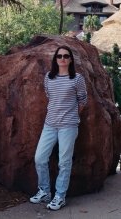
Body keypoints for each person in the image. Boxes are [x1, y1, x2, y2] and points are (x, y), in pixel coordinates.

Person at [29, 45, 87, 211]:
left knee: (64, 162)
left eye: (66, 56)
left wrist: (72, 116)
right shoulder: (49, 77)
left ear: (70, 59)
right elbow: (50, 96)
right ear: (55, 59)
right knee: (40, 158)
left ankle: (60, 196)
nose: (62, 59)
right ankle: (45, 191)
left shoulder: (77, 78)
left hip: (68, 126)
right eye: (59, 56)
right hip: (50, 125)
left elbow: (82, 100)